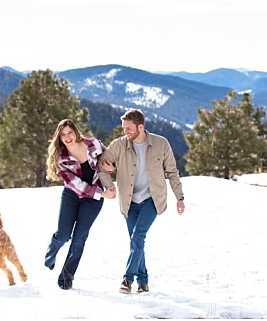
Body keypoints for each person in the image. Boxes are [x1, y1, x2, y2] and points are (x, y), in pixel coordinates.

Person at [96, 109, 186, 294]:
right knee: (137, 241)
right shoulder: (119, 145)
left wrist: (179, 197)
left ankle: (127, 280)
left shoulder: (161, 144)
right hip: (129, 202)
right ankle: (143, 282)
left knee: (138, 237)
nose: (125, 132)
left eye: (129, 128)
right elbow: (101, 165)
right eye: (123, 128)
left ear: (140, 127)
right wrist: (109, 187)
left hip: (152, 199)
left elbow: (172, 171)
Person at [42, 119, 115, 290]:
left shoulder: (94, 145)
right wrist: (101, 193)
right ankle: (51, 254)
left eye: (70, 132)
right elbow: (77, 185)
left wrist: (111, 166)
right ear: (59, 138)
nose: (67, 137)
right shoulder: (61, 159)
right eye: (63, 135)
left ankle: (66, 277)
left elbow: (110, 158)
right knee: (63, 235)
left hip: (93, 200)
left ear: (76, 131)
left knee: (79, 238)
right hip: (72, 196)